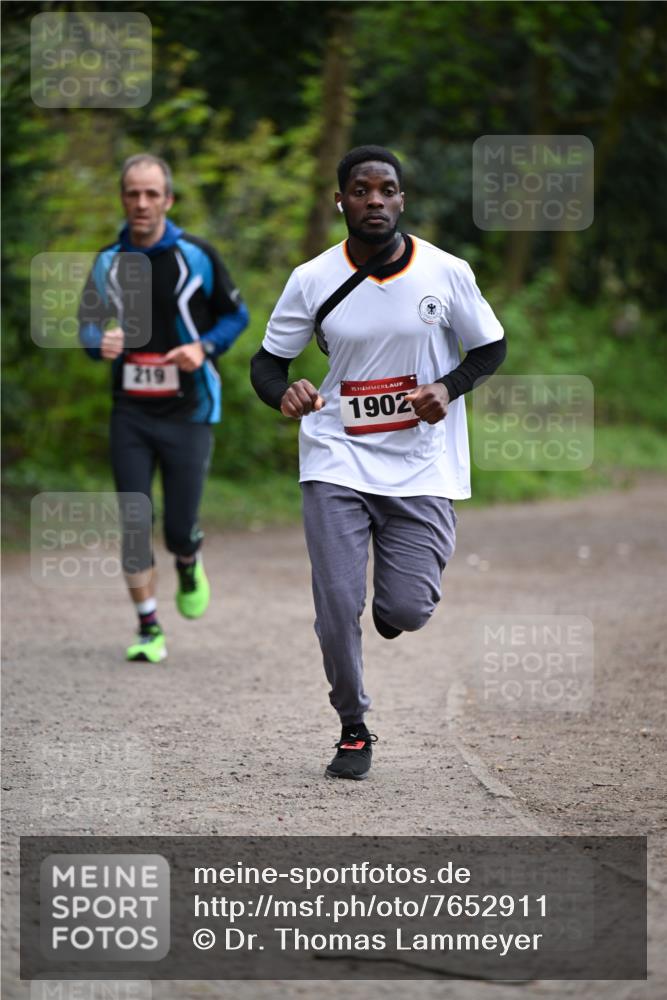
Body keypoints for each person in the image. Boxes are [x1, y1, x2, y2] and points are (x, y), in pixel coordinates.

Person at [251, 144, 506, 780]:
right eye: (360, 190)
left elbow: (490, 347)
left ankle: (393, 613)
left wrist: (446, 387)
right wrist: (284, 392)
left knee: (408, 610)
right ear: (341, 200)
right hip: (337, 454)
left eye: (386, 190)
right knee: (337, 603)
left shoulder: (446, 272)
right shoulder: (312, 278)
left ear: (401, 200)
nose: (374, 200)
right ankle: (354, 726)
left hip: (421, 464)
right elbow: (267, 363)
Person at [79, 153, 249, 663]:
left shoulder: (197, 255)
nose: (142, 202)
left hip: (189, 408)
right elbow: (88, 327)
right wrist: (97, 342)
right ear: (122, 199)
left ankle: (188, 556)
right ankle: (149, 626)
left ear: (168, 200)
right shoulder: (109, 260)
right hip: (129, 410)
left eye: (152, 193)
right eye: (133, 193)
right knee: (134, 522)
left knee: (177, 527)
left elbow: (235, 314)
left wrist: (204, 347)